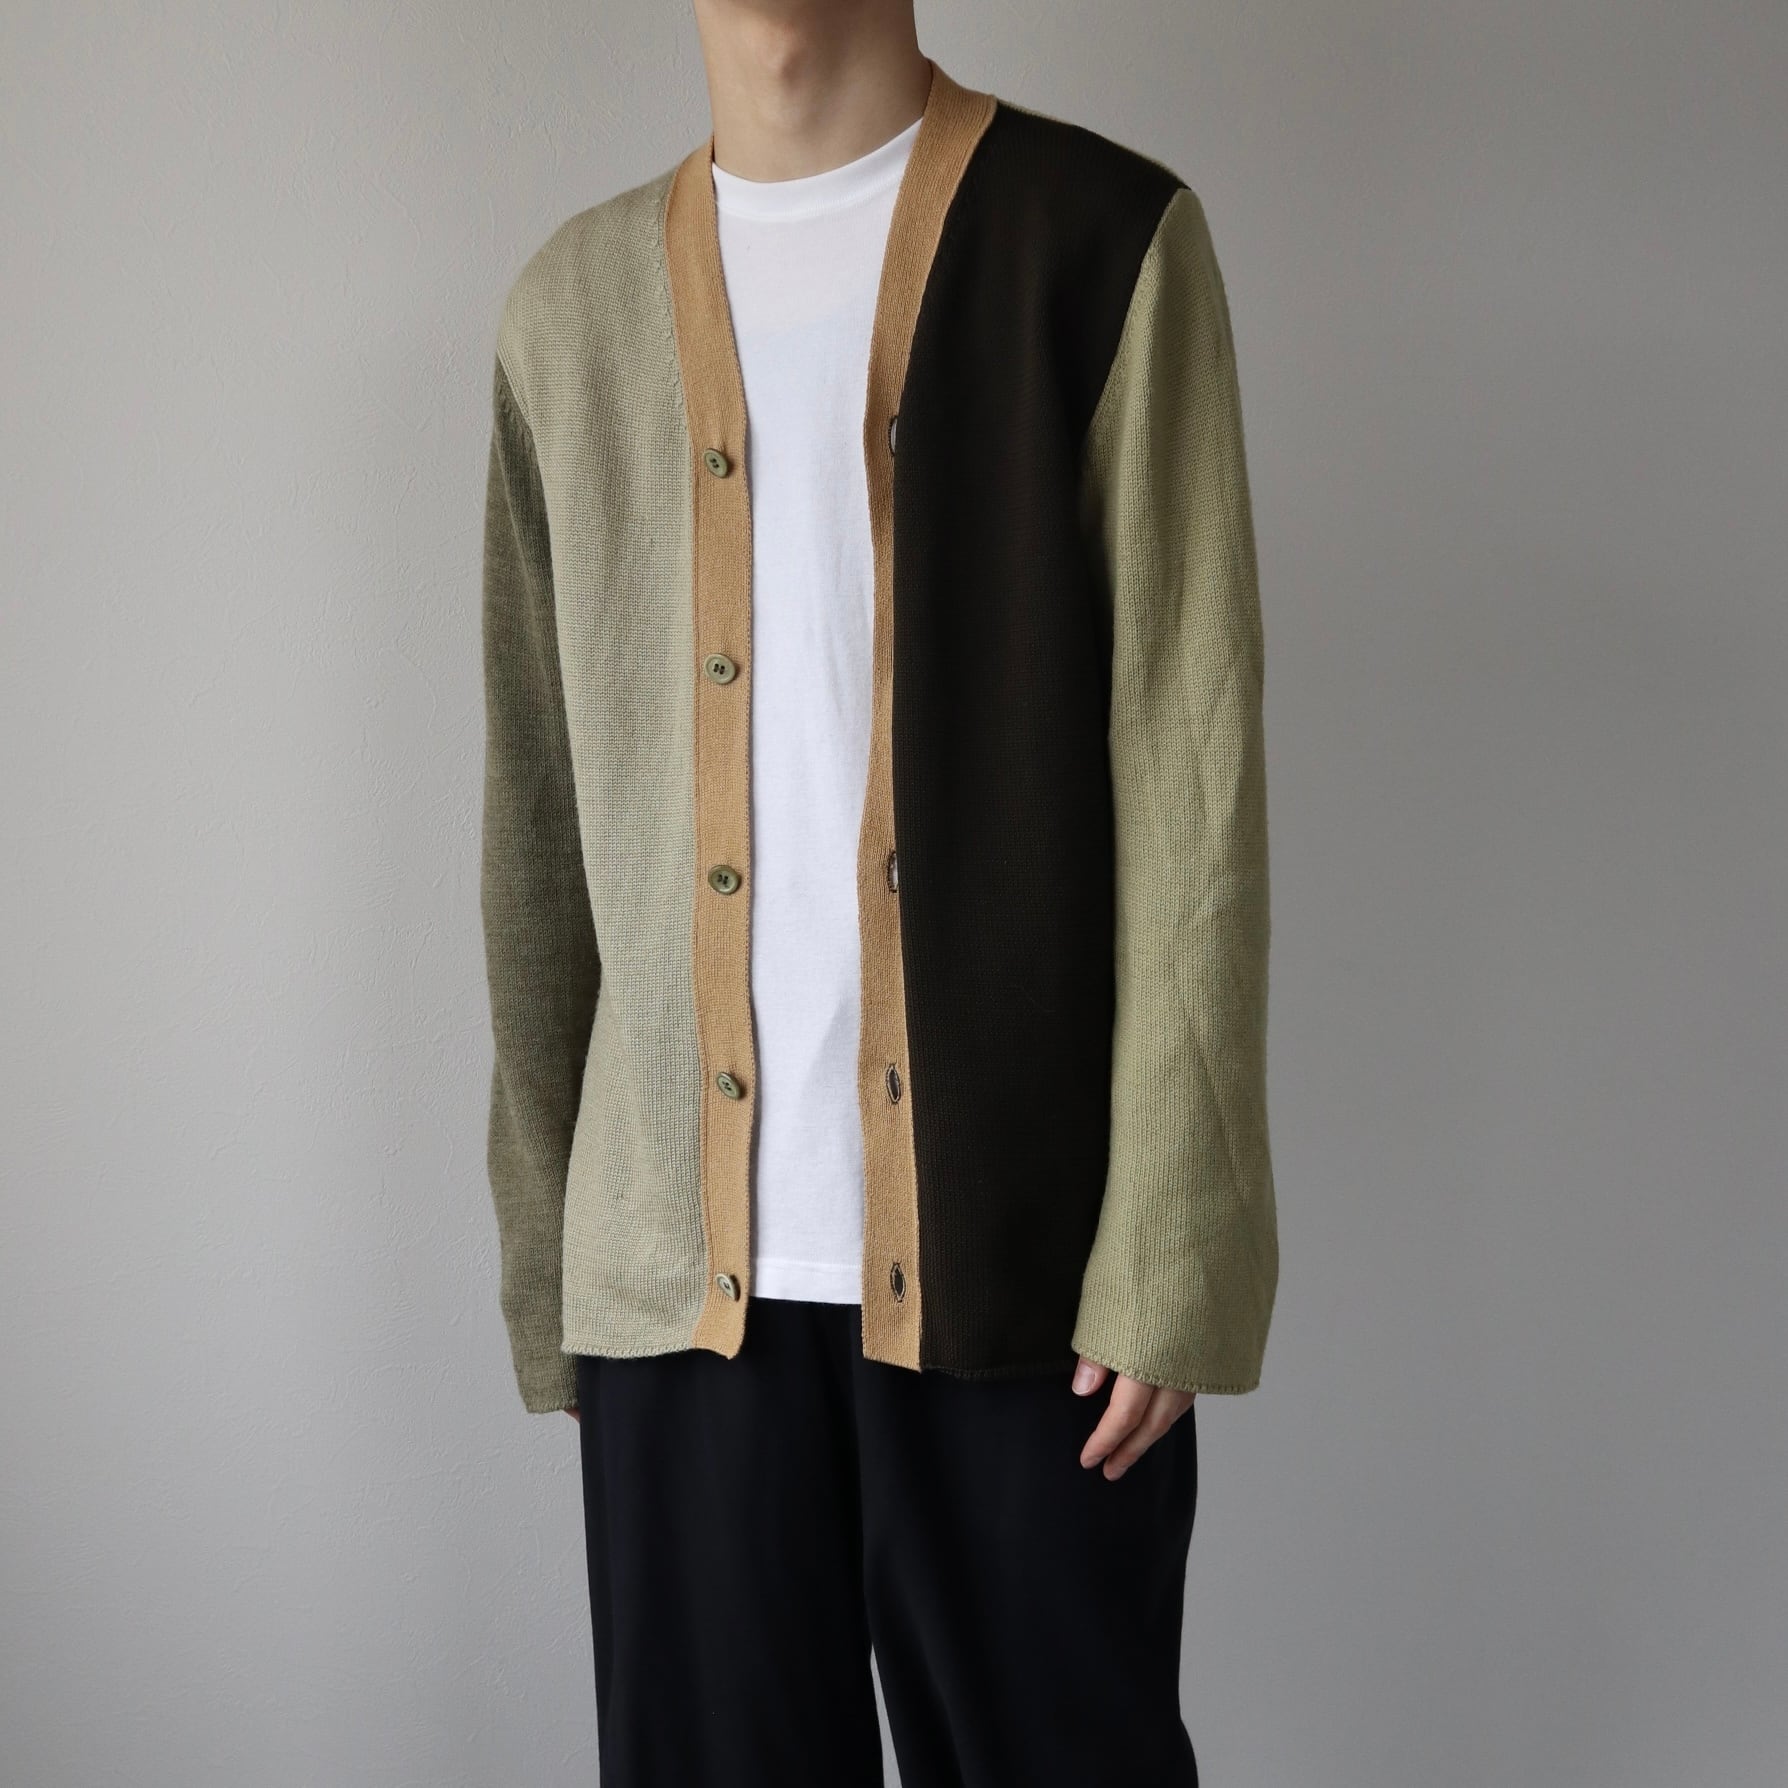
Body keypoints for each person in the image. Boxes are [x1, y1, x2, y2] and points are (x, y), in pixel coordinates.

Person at [477, 2, 1278, 1781]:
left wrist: (1173, 1249)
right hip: (681, 1295)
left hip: (1032, 1286)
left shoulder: (1103, 245)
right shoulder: (568, 312)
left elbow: (1193, 767)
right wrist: (562, 1271)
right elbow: (535, 827)